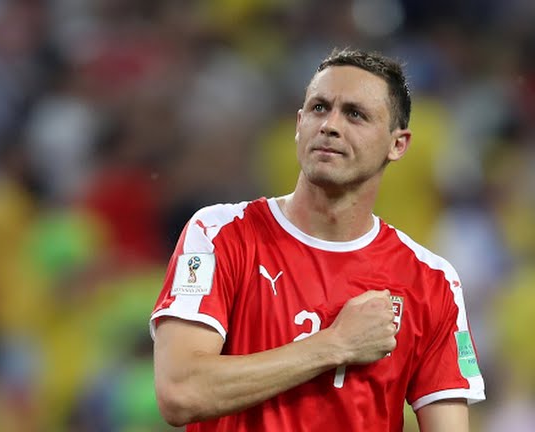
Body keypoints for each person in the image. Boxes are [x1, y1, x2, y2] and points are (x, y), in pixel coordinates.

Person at [150, 48, 485, 431]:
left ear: (398, 144)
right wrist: (336, 344)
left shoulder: (432, 281)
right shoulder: (219, 234)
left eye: (355, 114)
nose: (330, 125)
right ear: (299, 124)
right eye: (319, 108)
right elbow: (180, 393)